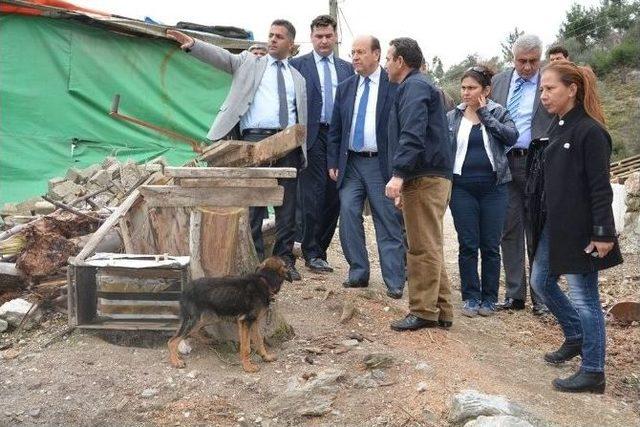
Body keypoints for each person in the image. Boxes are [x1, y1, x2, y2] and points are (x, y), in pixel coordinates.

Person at [166, 20, 307, 281]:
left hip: (288, 143)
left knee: (288, 206)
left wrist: (302, 148)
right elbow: (221, 57)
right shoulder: (249, 62)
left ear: (291, 44)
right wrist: (193, 45)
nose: (273, 40)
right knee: (253, 204)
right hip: (253, 141)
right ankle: (255, 261)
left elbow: (302, 113)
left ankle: (285, 260)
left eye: (279, 37)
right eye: (270, 35)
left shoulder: (297, 77)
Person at [530, 60, 623, 393]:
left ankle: (594, 371)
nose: (544, 95)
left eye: (550, 88)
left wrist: (603, 233)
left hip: (583, 230)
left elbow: (601, 187)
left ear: (572, 89)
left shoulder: (591, 131)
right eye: (542, 89)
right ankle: (575, 334)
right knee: (540, 282)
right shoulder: (559, 126)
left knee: (586, 298)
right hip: (556, 225)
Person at [327, 35, 406, 299]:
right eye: (352, 53)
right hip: (350, 163)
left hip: (379, 164)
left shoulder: (393, 84)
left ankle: (394, 280)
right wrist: (333, 161)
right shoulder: (347, 87)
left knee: (386, 219)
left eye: (361, 52)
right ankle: (358, 273)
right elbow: (336, 128)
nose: (355, 57)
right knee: (348, 214)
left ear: (376, 54)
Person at [384, 37, 453, 330]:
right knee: (431, 243)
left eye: (388, 58)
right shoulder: (418, 86)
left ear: (400, 61)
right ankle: (443, 309)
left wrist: (399, 174)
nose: (386, 64)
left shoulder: (413, 87)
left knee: (421, 247)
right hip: (428, 175)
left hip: (424, 175)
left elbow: (412, 132)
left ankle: (423, 311)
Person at [447, 65, 518, 318]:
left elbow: (511, 137)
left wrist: (485, 113)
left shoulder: (499, 112)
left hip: (494, 188)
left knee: (490, 245)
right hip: (462, 188)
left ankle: (489, 298)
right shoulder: (452, 117)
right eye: (463, 88)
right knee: (467, 244)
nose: (466, 93)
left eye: (472, 88)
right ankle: (470, 296)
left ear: (486, 90)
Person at [491, 34, 553, 314]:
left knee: (536, 230)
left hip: (538, 162)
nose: (527, 67)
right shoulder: (499, 82)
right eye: (521, 61)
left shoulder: (550, 81)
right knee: (509, 228)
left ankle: (541, 297)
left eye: (532, 61)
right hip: (505, 162)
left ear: (540, 58)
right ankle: (515, 295)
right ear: (512, 57)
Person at [290, 15, 353, 274]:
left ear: (336, 36)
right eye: (319, 36)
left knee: (334, 196)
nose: (324, 40)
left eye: (328, 36)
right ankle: (311, 251)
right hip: (312, 137)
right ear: (311, 37)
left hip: (339, 140)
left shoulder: (347, 68)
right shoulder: (297, 65)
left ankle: (320, 250)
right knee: (311, 196)